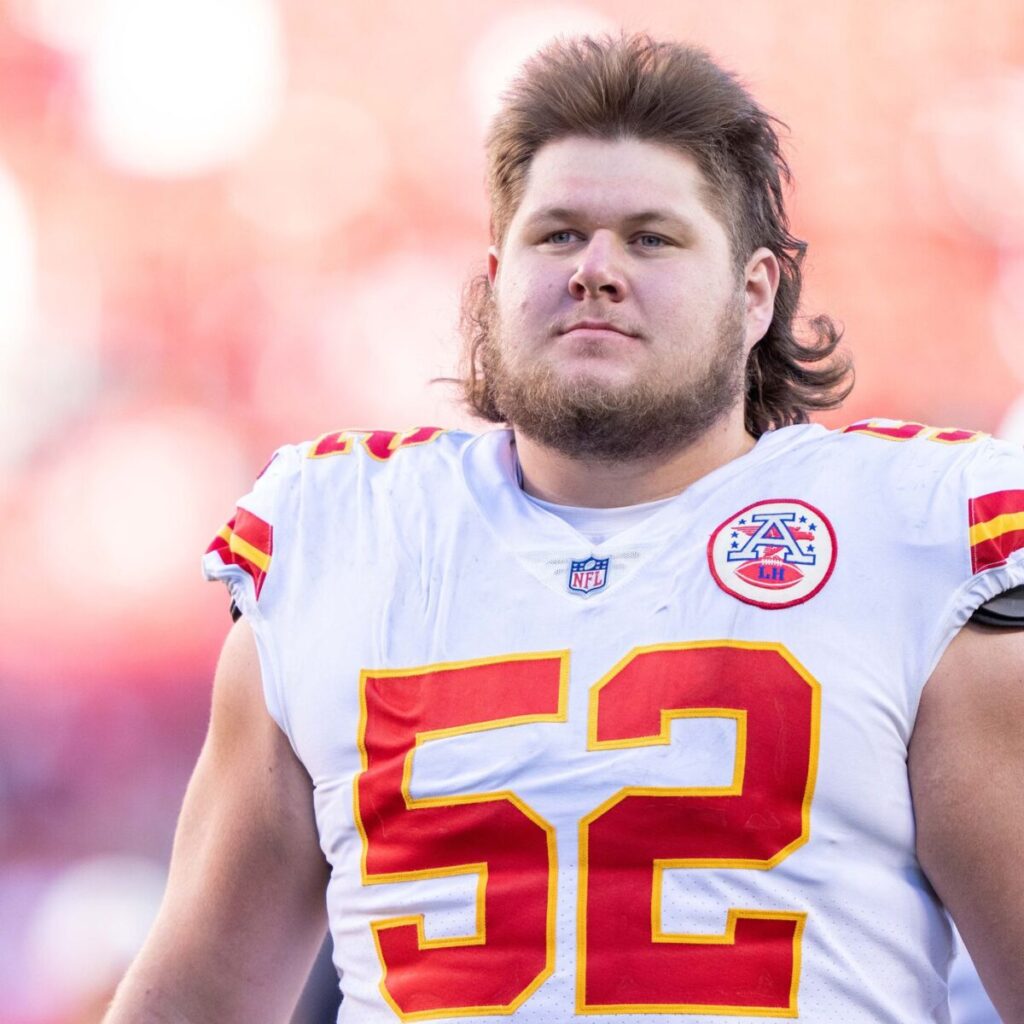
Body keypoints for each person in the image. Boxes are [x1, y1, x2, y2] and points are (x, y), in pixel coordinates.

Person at [104, 33, 1024, 1023]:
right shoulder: (341, 540)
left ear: (755, 293)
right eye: (557, 235)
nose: (594, 269)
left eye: (651, 237)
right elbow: (197, 990)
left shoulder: (905, 542)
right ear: (496, 277)